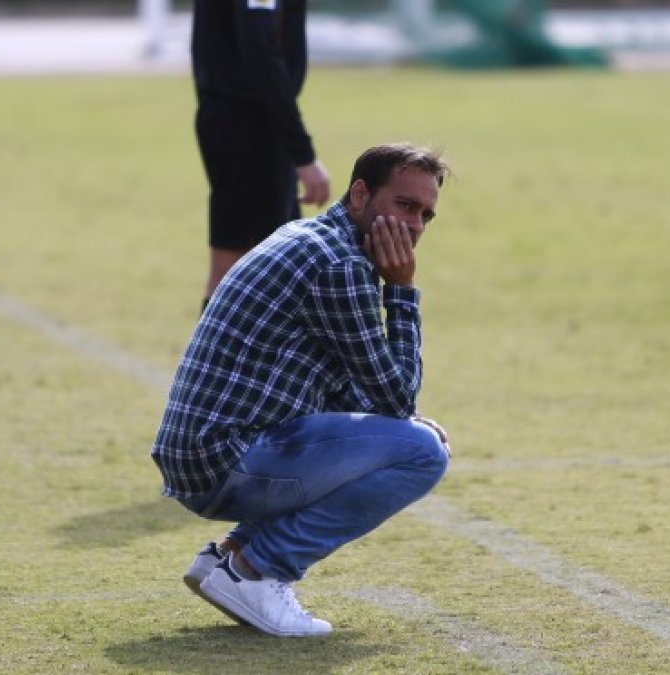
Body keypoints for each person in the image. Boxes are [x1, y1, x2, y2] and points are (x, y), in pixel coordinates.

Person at [151, 143, 453, 637]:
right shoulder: (338, 265)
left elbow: (348, 391)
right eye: (404, 205)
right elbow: (396, 400)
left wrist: (404, 424)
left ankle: (230, 559)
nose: (416, 225)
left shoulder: (310, 238)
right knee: (422, 455)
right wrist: (400, 289)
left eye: (426, 215)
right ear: (360, 194)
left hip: (205, 453)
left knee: (413, 438)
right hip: (225, 459)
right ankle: (257, 569)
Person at [191, 0, 332, 302]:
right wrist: (302, 153)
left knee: (278, 269)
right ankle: (210, 351)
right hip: (248, 124)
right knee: (237, 269)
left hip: (252, 121)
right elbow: (259, 52)